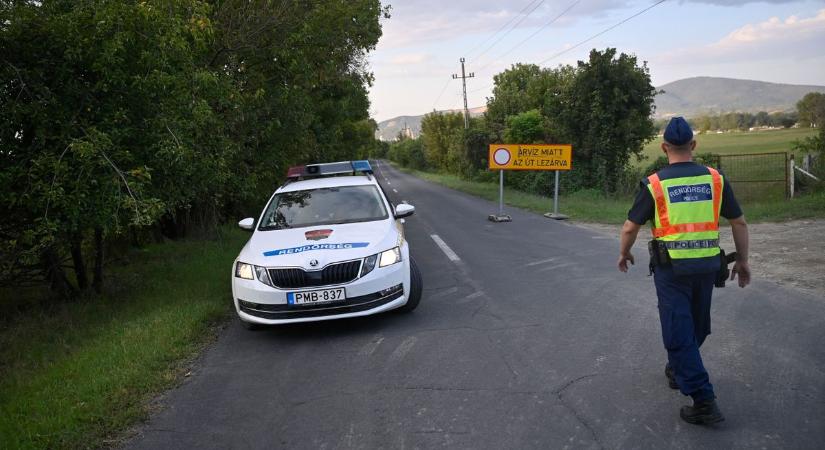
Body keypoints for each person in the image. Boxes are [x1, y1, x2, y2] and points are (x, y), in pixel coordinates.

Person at [616, 117, 751, 425]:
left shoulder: (655, 184)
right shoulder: (715, 179)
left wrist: (624, 253)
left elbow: (629, 226)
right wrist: (742, 261)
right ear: (693, 145)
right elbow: (739, 222)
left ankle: (703, 399)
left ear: (665, 148)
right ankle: (680, 367)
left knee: (679, 331)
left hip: (671, 270)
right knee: (697, 325)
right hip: (707, 267)